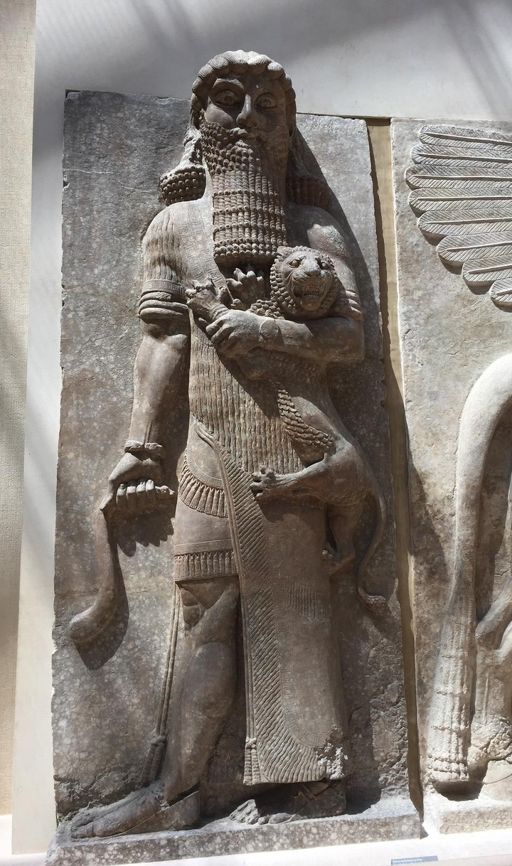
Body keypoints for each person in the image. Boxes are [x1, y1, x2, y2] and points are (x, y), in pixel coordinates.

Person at [72, 50, 366, 838]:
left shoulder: (313, 229)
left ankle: (313, 780)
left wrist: (267, 331)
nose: (246, 120)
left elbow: (350, 341)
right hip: (205, 443)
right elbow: (163, 338)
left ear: (287, 130)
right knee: (204, 611)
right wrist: (142, 442)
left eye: (268, 106)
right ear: (199, 120)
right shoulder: (173, 228)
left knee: (294, 617)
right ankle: (178, 792)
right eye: (228, 101)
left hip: (295, 451)